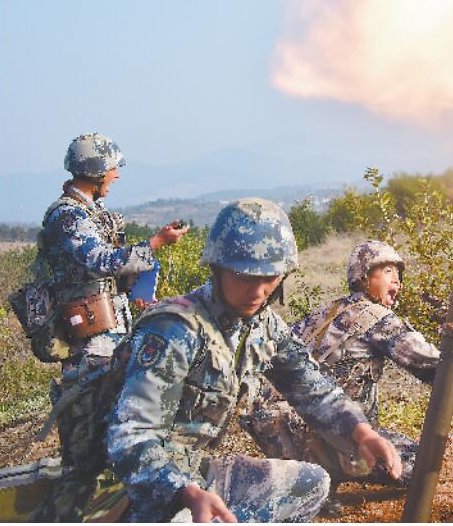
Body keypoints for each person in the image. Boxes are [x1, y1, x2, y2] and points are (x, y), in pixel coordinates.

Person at [106, 199, 402, 522]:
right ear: (217, 268)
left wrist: (361, 432)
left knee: (311, 483)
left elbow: (310, 386)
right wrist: (185, 492)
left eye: (270, 276)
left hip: (191, 470)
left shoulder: (262, 323)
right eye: (244, 275)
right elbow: (130, 437)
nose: (258, 290)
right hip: (138, 486)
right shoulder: (175, 329)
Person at [241, 239, 453, 513]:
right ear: (363, 277)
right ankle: (317, 475)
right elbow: (431, 361)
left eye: (398, 275)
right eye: (387, 272)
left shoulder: (327, 310)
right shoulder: (375, 317)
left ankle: (311, 474)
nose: (397, 282)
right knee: (416, 463)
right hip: (315, 427)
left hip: (271, 423)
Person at [31, 133, 189, 522]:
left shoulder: (92, 213)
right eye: (112, 167)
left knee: (123, 436)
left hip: (110, 336)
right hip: (90, 344)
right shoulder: (68, 216)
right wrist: (153, 243)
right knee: (84, 459)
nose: (116, 174)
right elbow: (100, 260)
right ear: (95, 171)